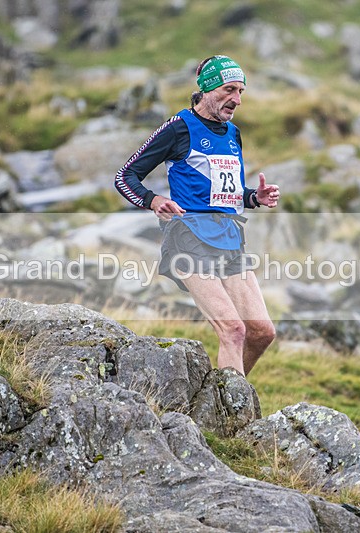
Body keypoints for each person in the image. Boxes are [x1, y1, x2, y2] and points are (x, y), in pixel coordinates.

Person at [114, 55, 280, 377]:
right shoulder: (178, 128)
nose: (237, 99)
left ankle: (223, 393)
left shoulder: (232, 133)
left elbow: (224, 192)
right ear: (206, 89)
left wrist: (252, 197)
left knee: (262, 332)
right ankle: (232, 406)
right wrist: (153, 200)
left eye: (241, 91)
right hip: (188, 239)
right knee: (233, 330)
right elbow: (125, 176)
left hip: (229, 238)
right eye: (229, 89)